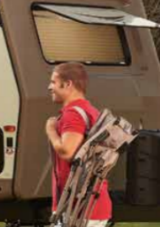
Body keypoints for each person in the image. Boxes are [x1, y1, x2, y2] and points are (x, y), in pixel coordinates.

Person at [45, 62, 111, 227]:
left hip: (77, 210)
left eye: (53, 82)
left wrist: (51, 131)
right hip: (90, 204)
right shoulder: (90, 111)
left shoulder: (73, 114)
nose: (49, 87)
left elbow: (67, 151)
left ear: (67, 84)